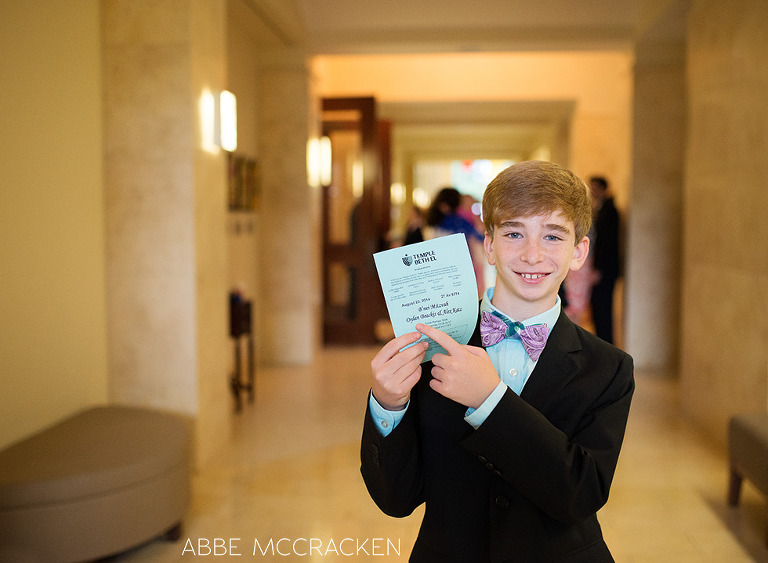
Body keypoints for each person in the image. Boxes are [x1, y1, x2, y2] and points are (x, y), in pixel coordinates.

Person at [360, 160, 634, 562]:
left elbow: (581, 494)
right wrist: (388, 404)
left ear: (579, 252)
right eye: (513, 233)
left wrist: (490, 400)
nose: (532, 253)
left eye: (553, 237)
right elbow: (396, 499)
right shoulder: (432, 345)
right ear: (488, 245)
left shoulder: (608, 368)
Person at [425, 186, 486, 296]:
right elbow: (479, 237)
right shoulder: (458, 222)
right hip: (461, 267)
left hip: (438, 268)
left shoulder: (434, 224)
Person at [588, 176, 621, 344]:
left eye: (594, 187)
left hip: (604, 270)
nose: (592, 191)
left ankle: (605, 345)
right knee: (597, 310)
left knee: (603, 309)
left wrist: (598, 269)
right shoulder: (598, 208)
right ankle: (601, 343)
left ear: (603, 189)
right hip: (599, 268)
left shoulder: (610, 210)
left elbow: (607, 244)